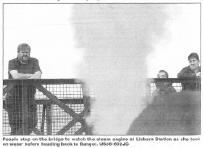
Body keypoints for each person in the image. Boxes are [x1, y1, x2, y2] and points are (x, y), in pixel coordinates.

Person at [5, 43, 42, 135]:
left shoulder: (34, 61)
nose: (25, 54)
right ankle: (16, 141)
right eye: (23, 52)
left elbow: (38, 75)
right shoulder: (12, 62)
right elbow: (15, 76)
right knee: (15, 125)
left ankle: (16, 140)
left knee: (32, 122)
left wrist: (24, 76)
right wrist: (30, 75)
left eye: (27, 52)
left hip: (29, 99)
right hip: (14, 99)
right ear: (18, 53)